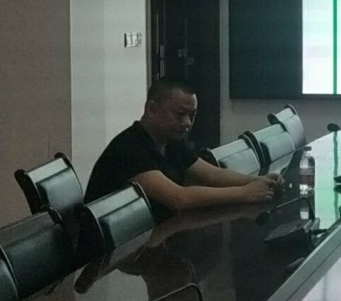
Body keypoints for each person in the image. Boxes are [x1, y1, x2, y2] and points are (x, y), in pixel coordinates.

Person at [85, 78, 279, 216]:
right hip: (109, 254)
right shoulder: (129, 148)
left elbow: (213, 175)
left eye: (192, 115)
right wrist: (245, 193)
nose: (187, 123)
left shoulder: (170, 141)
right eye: (179, 114)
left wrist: (258, 181)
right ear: (151, 109)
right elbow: (178, 198)